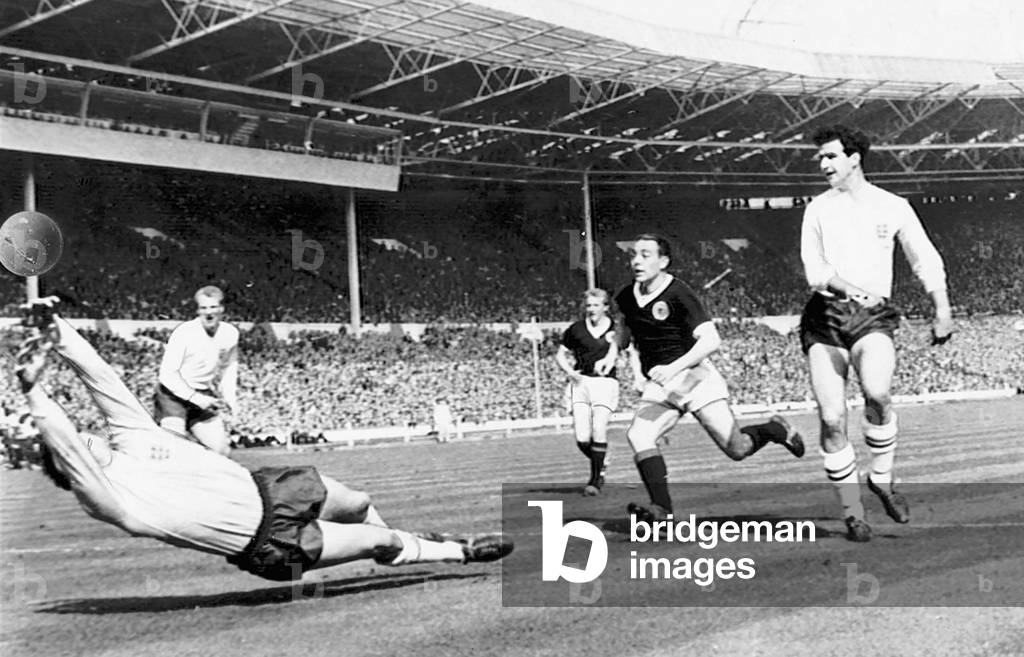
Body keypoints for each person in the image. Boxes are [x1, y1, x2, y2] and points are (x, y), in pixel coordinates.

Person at [13, 297, 512, 583]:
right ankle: (454, 552)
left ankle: (404, 545)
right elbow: (69, 447)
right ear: (71, 462)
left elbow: (100, 376)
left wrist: (55, 329)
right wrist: (34, 389)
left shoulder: (132, 436)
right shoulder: (107, 497)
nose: (88, 434)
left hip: (272, 488)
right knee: (380, 540)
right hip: (268, 542)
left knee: (360, 502)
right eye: (79, 440)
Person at [800, 124, 953, 542]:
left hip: (873, 319)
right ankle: (852, 513)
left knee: (877, 394)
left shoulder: (893, 206)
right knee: (832, 419)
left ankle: (881, 478)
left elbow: (924, 258)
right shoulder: (817, 209)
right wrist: (853, 290)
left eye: (830, 156)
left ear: (855, 158)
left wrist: (942, 307)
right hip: (825, 317)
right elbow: (815, 272)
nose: (823, 164)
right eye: (820, 158)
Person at [614, 234, 805, 523]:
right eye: (634, 255)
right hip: (662, 385)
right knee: (638, 435)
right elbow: (625, 330)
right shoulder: (626, 296)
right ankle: (662, 510)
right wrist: (612, 350)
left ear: (663, 262)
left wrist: (674, 366)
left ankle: (774, 430)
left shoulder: (679, 293)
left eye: (645, 254)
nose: (637, 260)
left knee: (737, 450)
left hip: (694, 377)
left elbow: (710, 340)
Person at [154, 286, 238, 456]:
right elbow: (166, 375)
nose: (209, 313)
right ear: (198, 310)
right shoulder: (184, 333)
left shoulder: (230, 333)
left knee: (222, 450)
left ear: (222, 309)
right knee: (172, 452)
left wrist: (231, 400)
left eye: (213, 307)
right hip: (173, 396)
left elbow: (230, 367)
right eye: (204, 308)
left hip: (203, 392)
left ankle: (207, 480)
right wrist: (195, 398)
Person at [554, 289, 619, 496]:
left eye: (596, 305)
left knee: (599, 427)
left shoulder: (616, 329)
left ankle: (595, 481)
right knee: (582, 438)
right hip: (581, 382)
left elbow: (629, 350)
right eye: (589, 305)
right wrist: (570, 372)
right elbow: (560, 355)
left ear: (605, 307)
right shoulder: (576, 329)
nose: (591, 309)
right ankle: (602, 459)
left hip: (605, 383)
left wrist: (637, 376)